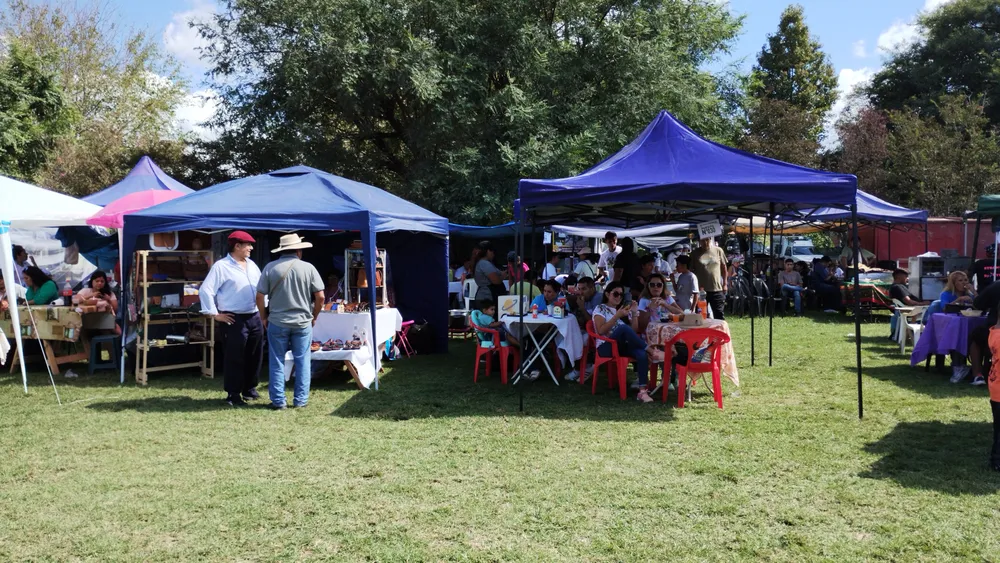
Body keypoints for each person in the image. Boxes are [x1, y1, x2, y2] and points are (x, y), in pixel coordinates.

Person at [256, 233, 324, 410]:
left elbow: (259, 296)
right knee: (302, 361)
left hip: (277, 321)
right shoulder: (308, 268)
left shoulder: (270, 267)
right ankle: (300, 401)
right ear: (299, 251)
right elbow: (321, 296)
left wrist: (264, 316)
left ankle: (279, 401)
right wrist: (314, 316)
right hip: (302, 322)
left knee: (277, 360)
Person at [200, 231, 264, 407]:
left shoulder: (252, 265)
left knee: (255, 354)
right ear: (237, 246)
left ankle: (249, 388)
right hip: (233, 317)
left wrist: (264, 310)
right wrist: (214, 314)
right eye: (248, 245)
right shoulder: (221, 266)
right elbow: (206, 290)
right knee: (235, 356)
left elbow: (260, 289)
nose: (251, 248)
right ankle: (233, 394)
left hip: (253, 315)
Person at [592, 282, 652, 402]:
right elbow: (600, 331)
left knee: (641, 353)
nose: (618, 297)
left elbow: (634, 331)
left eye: (621, 294)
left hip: (622, 346)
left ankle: (642, 391)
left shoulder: (623, 310)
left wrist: (634, 313)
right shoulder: (600, 308)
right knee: (623, 328)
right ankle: (650, 349)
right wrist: (616, 316)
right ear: (607, 294)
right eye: (615, 294)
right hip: (606, 347)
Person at [967, 282, 1000, 386]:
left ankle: (978, 375)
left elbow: (977, 304)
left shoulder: (996, 286)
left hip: (995, 330)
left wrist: (974, 293)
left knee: (976, 336)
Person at [690, 237, 728, 319]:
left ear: (710, 239)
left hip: (716, 289)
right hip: (701, 290)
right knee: (700, 315)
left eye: (707, 240)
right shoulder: (695, 253)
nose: (705, 242)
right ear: (699, 241)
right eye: (702, 240)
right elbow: (691, 271)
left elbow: (724, 269)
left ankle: (719, 331)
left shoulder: (718, 250)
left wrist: (725, 284)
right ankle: (703, 331)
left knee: (719, 314)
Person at [472, 241, 505, 305]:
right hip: (487, 297)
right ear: (488, 251)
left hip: (487, 296)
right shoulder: (484, 263)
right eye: (492, 252)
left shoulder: (484, 263)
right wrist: (503, 276)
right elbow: (496, 281)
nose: (493, 254)